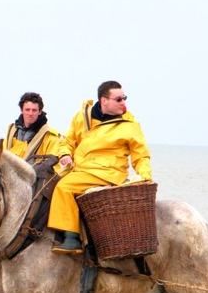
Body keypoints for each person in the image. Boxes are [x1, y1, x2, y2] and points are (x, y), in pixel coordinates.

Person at [48, 81, 153, 255]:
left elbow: (140, 155)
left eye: (124, 98)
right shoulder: (82, 117)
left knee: (64, 188)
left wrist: (146, 176)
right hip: (81, 169)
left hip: (108, 172)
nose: (123, 103)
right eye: (118, 99)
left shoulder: (130, 125)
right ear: (104, 100)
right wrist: (65, 154)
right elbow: (67, 141)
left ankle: (72, 238)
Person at [3, 92, 61, 163]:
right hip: (10, 171)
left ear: (40, 112)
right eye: (27, 110)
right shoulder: (11, 131)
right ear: (21, 110)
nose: (30, 114)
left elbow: (54, 167)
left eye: (34, 110)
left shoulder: (50, 137)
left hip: (35, 173)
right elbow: (2, 155)